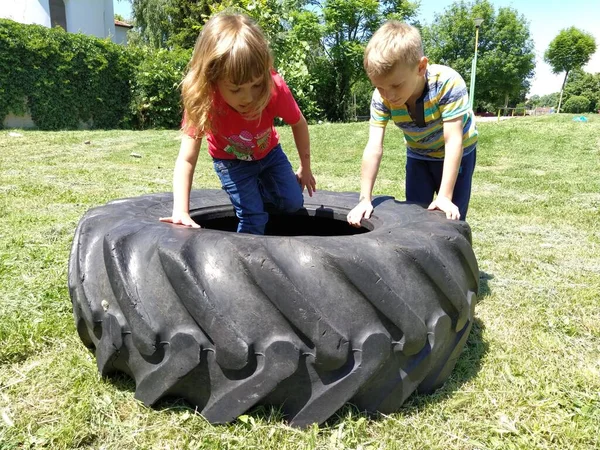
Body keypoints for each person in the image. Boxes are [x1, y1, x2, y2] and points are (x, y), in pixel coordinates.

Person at [160, 12, 316, 234]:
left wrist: (305, 167)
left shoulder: (273, 88)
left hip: (270, 154)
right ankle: (249, 263)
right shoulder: (205, 99)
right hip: (231, 163)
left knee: (292, 203)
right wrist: (181, 211)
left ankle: (259, 187)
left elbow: (298, 123)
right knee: (254, 217)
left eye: (255, 85)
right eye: (235, 89)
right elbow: (187, 158)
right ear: (212, 79)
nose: (248, 97)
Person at [347, 21, 477, 226]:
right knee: (415, 220)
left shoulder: (447, 83)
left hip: (458, 155)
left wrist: (444, 196)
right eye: (379, 87)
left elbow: (453, 141)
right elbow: (374, 147)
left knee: (451, 221)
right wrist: (365, 199)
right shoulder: (381, 98)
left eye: (396, 85)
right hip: (418, 155)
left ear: (421, 67)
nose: (388, 95)